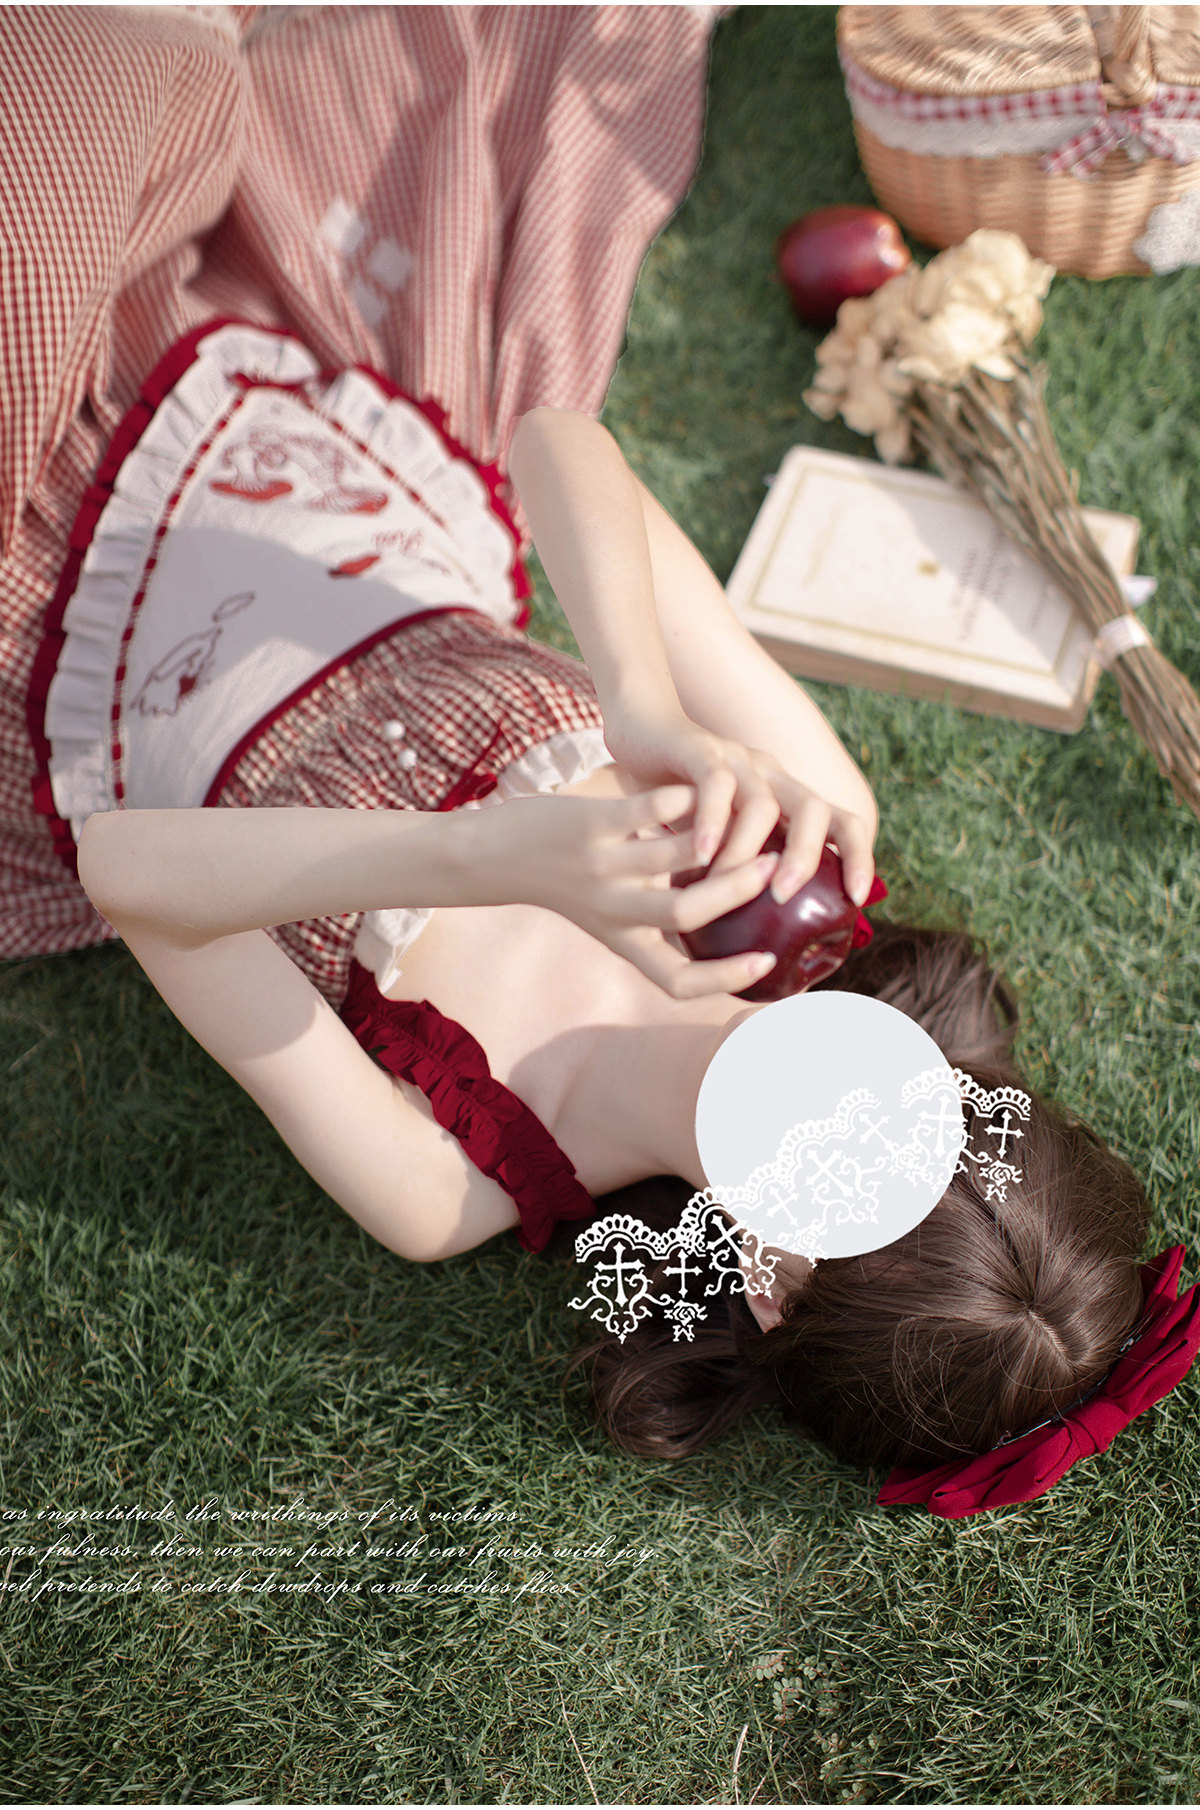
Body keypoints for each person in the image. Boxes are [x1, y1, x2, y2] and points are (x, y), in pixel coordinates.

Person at [8, 7, 1193, 1521]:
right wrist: (640, 704)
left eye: (854, 1165)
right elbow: (556, 443)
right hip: (324, 484)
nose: (859, 1085)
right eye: (933, 1107)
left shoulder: (449, 1180)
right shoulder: (809, 837)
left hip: (64, 632)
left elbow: (131, 874)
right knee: (123, 95)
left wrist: (476, 859)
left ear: (767, 1283)